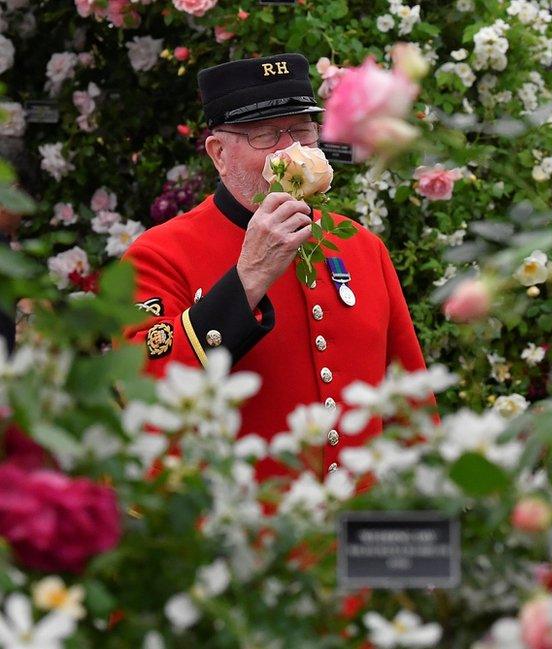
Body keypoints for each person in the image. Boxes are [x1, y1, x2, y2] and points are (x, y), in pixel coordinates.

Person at [123, 53, 432, 481]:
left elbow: (409, 403)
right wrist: (246, 279)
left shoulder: (362, 247)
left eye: (303, 132)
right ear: (219, 154)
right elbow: (140, 388)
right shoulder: (159, 254)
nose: (291, 151)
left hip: (358, 531)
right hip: (244, 532)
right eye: (266, 136)